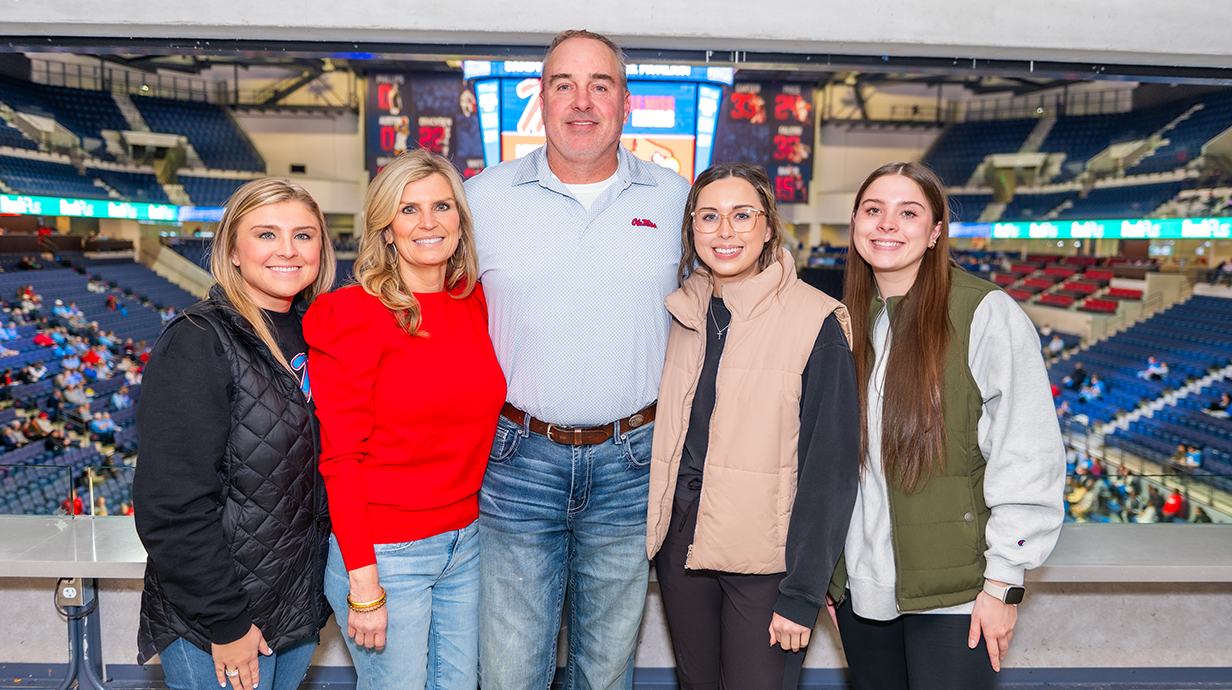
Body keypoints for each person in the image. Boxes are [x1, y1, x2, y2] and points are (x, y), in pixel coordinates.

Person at [463, 29, 691, 690]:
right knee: (509, 672)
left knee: (606, 671)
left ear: (625, 103)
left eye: (601, 85)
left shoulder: (679, 201)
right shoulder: (482, 199)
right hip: (517, 460)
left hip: (633, 463)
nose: (582, 101)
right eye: (564, 84)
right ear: (541, 100)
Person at [830, 162, 1066, 689]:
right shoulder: (841, 317)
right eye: (873, 210)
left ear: (936, 231)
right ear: (854, 225)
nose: (887, 224)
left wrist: (1004, 581)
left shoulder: (986, 313)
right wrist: (830, 570)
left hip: (957, 594)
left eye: (908, 212)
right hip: (862, 588)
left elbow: (1026, 450)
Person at [645, 164, 859, 688]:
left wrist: (804, 591)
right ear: (691, 229)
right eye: (709, 216)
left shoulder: (817, 320)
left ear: (768, 227)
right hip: (683, 545)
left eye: (742, 216)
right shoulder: (683, 311)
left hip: (768, 562)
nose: (725, 231)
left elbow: (829, 469)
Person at [304, 149, 505, 690]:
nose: (428, 222)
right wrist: (365, 586)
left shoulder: (473, 302)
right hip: (388, 554)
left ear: (461, 222)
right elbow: (340, 456)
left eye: (442, 206)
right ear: (386, 228)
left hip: (466, 541)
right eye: (409, 209)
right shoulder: (355, 313)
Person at [133, 178, 336, 690]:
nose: (288, 250)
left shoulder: (318, 330)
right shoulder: (198, 341)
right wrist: (226, 621)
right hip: (220, 619)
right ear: (233, 251)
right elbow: (171, 505)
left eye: (304, 235)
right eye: (266, 234)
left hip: (293, 605)